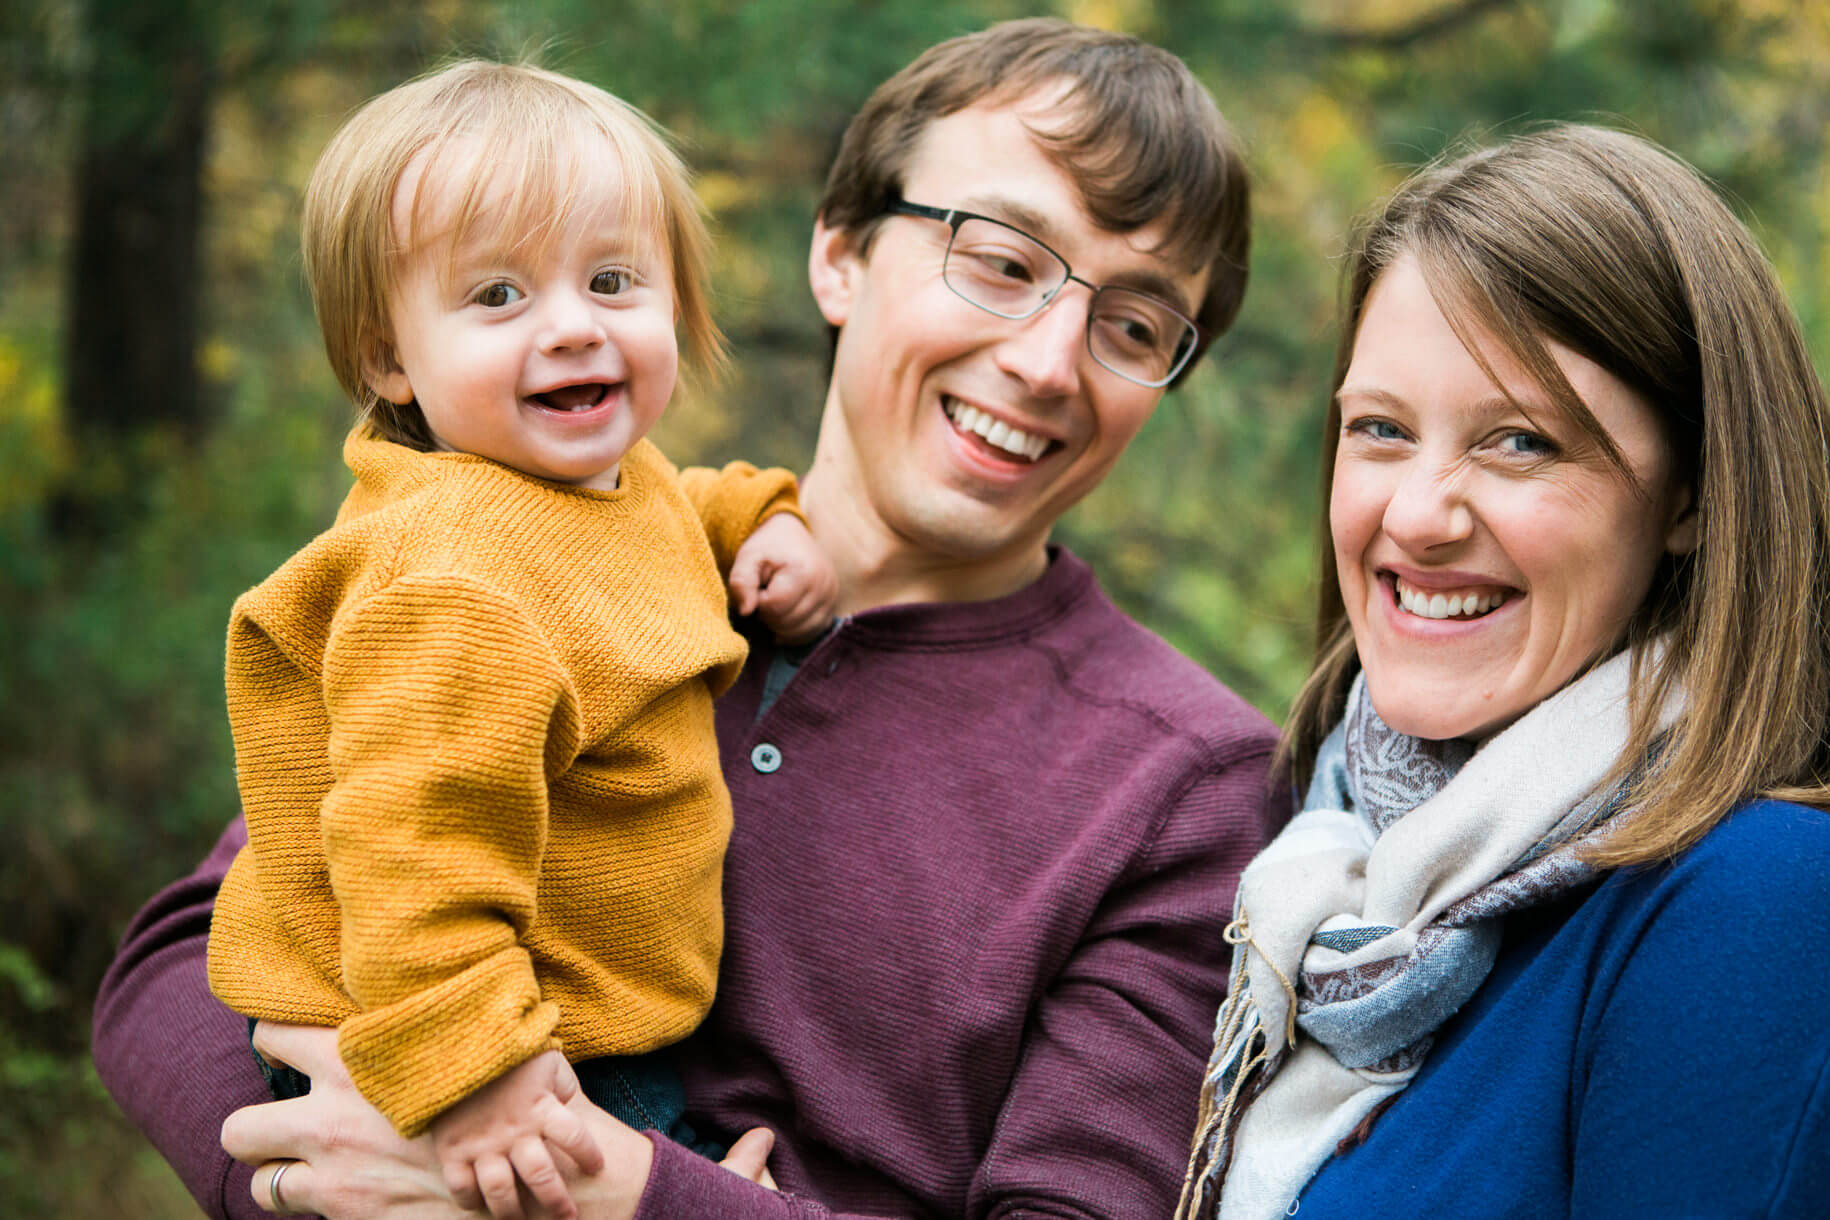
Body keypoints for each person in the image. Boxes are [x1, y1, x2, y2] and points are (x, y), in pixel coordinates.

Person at [92, 19, 1287, 1220]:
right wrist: (337, 1181)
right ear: (839, 255)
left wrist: (618, 1198)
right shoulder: (520, 549)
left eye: (1134, 325)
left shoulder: (1185, 784)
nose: (1047, 360)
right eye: (1001, 259)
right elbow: (183, 956)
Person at [202, 60, 836, 1220]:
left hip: (560, 1023)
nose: (572, 326)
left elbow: (659, 508)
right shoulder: (453, 581)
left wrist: (758, 518)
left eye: (610, 279)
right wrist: (480, 1082)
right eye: (497, 296)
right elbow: (414, 847)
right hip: (478, 1040)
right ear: (389, 358)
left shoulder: (584, 480)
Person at [1177, 124, 1830, 1220]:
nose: (1419, 515)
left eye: (1519, 441)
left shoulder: (1756, 899)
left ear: (1692, 496)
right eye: (1380, 428)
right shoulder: (1317, 871)